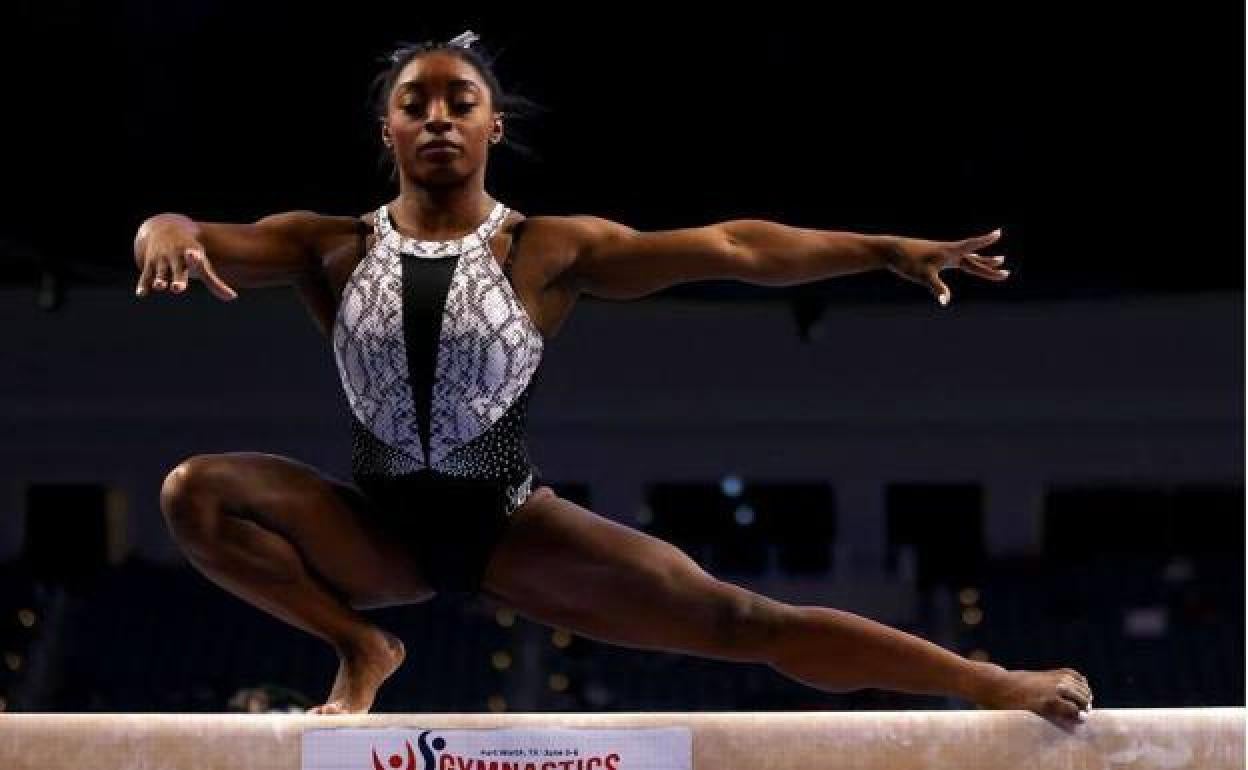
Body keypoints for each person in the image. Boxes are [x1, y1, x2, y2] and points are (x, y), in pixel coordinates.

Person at [133, 31, 1093, 727]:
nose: (436, 118)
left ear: (492, 126)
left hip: (511, 528)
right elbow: (194, 233)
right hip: (372, 533)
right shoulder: (326, 245)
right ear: (384, 128)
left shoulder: (547, 249)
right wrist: (165, 229)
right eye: (414, 103)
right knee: (197, 494)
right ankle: (360, 645)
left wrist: (880, 248)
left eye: (458, 102)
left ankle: (989, 682)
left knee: (743, 619)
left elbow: (731, 245)